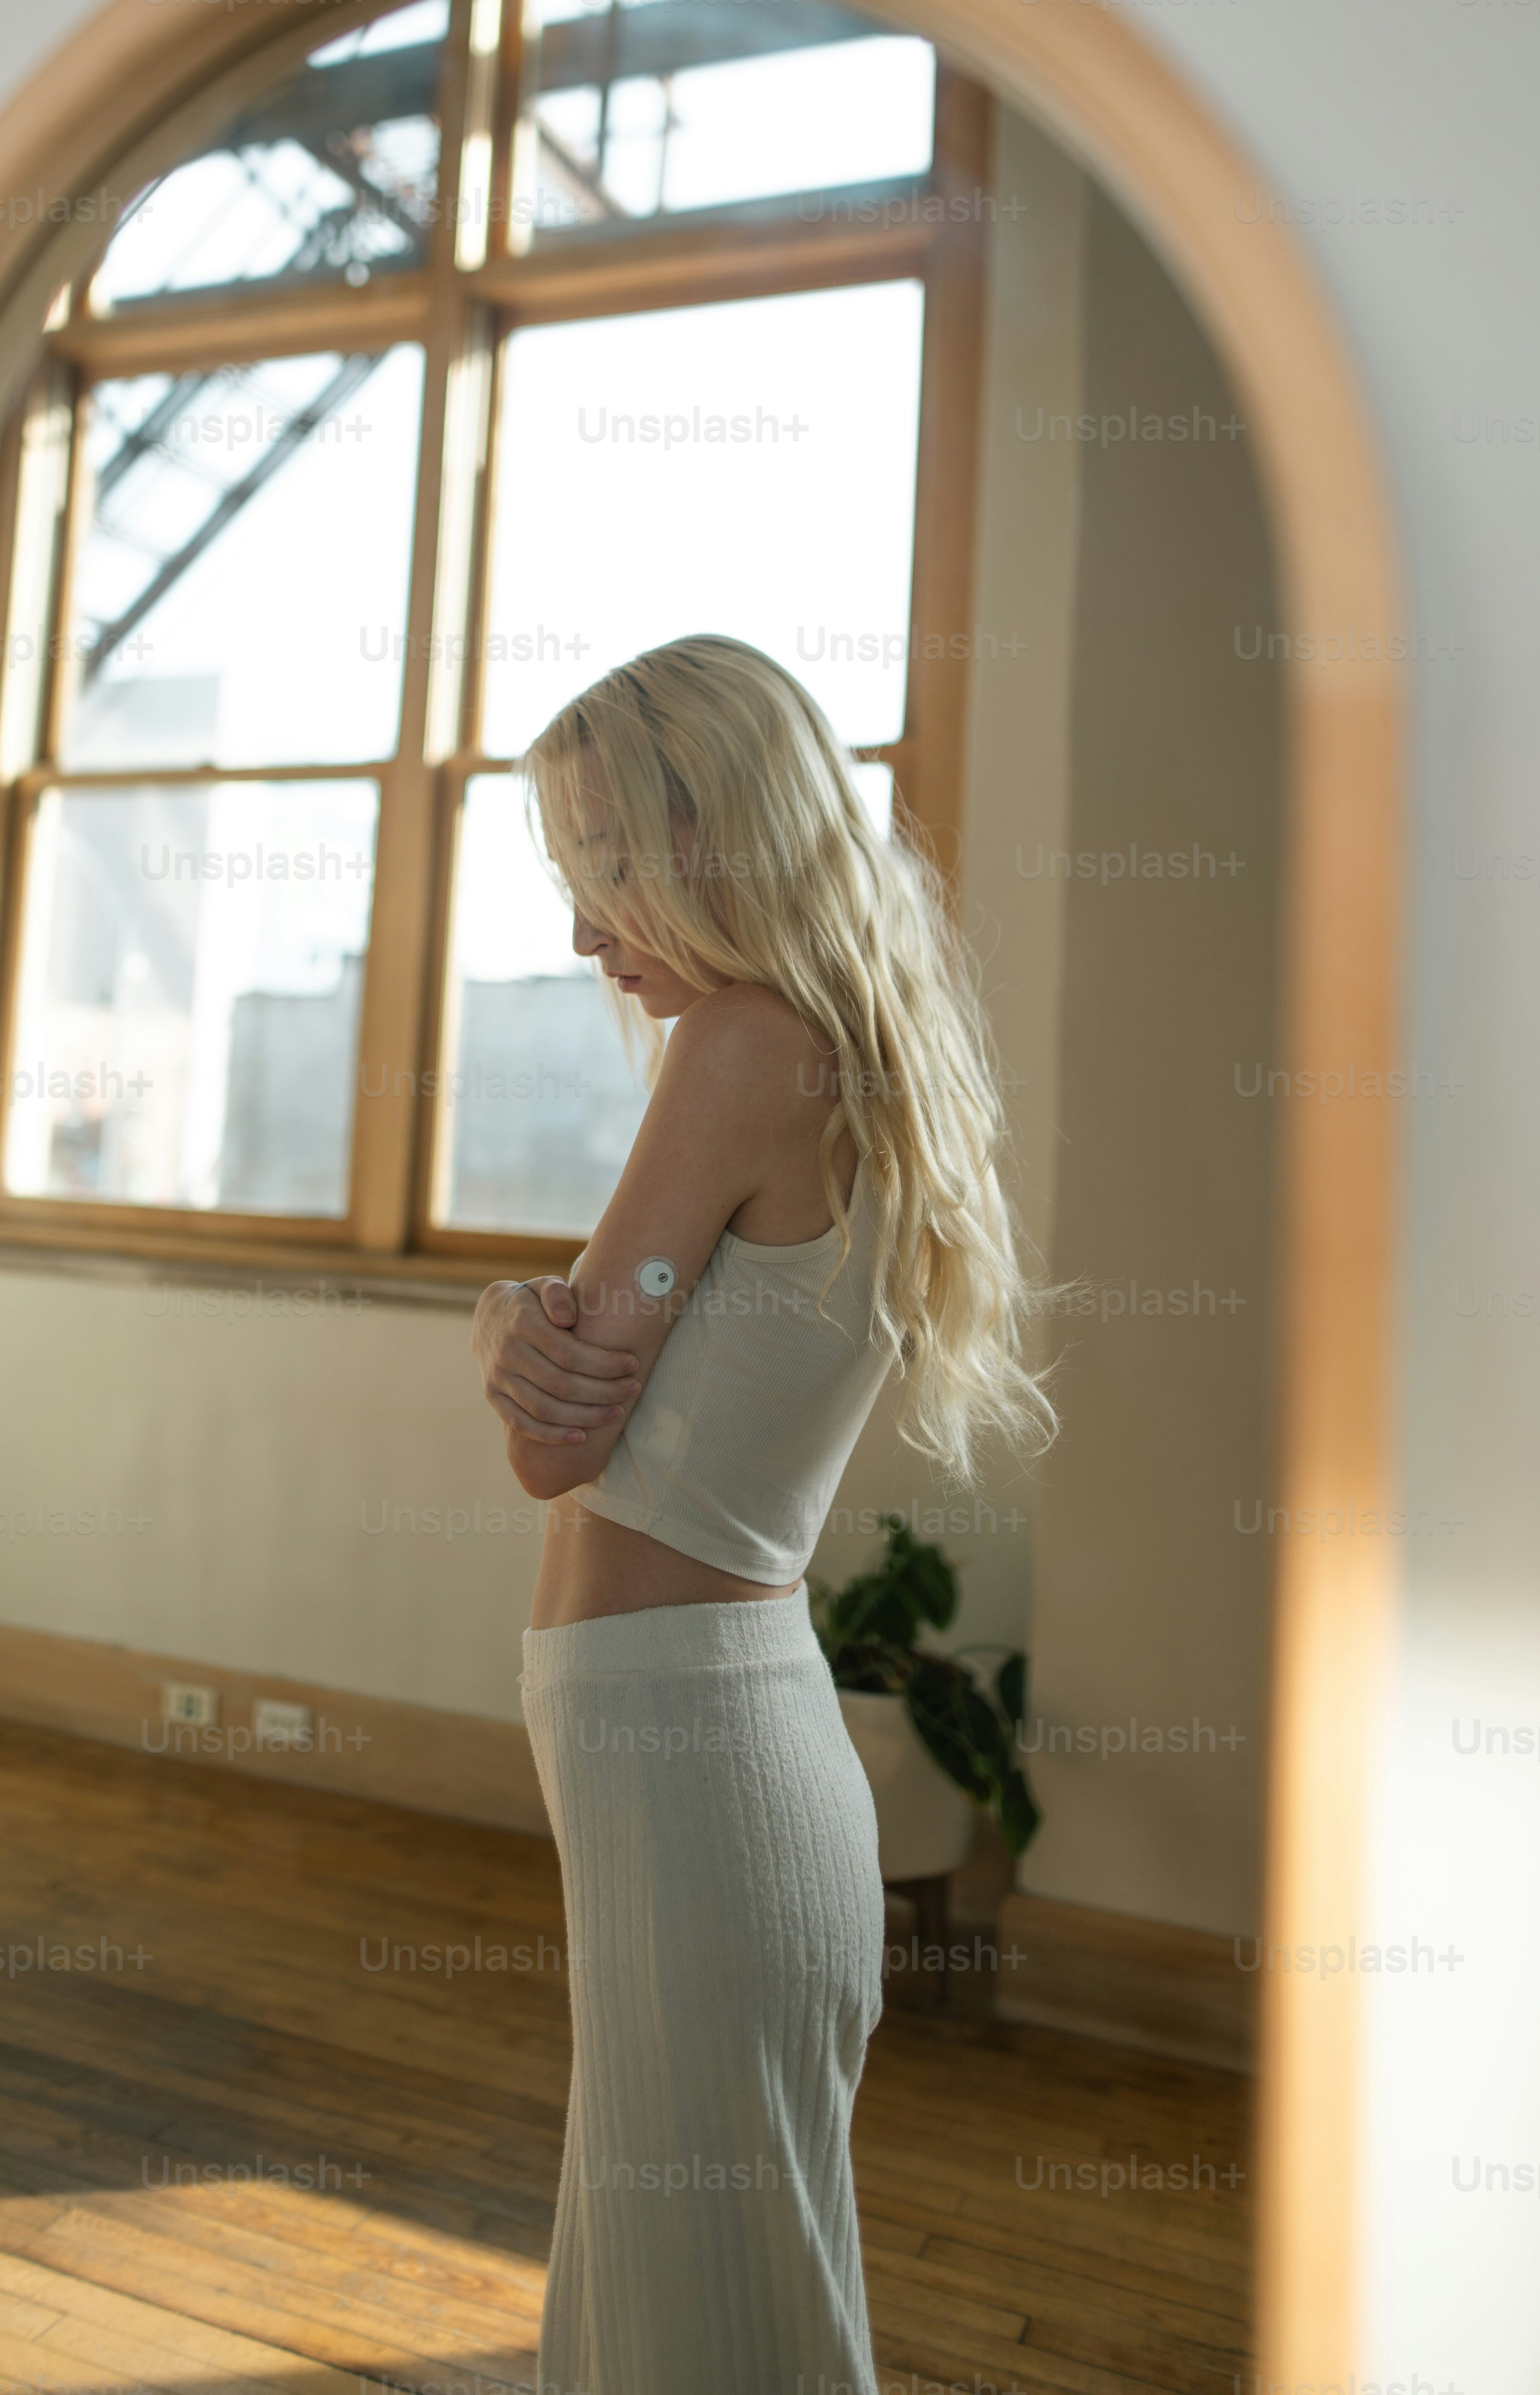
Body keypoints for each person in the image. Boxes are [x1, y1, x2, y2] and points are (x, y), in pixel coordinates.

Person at [470, 634, 1052, 2395]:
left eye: (604, 872)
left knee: (692, 2283)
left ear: (706, 836)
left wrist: (502, 1329)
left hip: (692, 1744)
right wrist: (528, 1331)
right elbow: (603, 1386)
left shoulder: (739, 1043)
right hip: (724, 1728)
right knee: (710, 2264)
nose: (585, 935)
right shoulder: (838, 1046)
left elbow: (558, 1447)